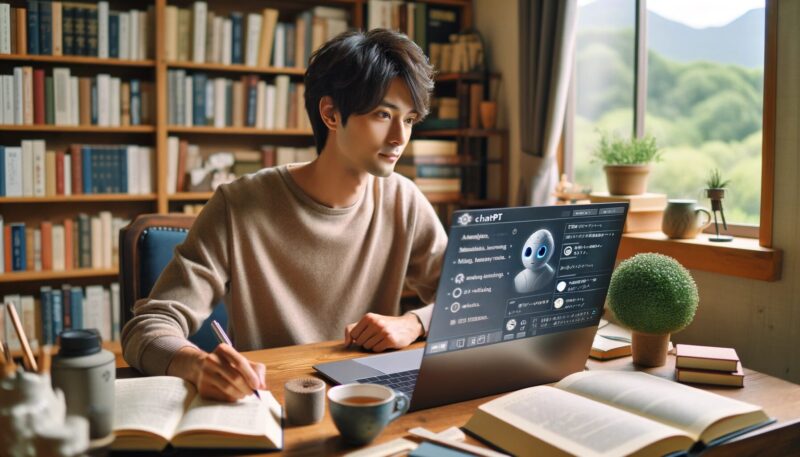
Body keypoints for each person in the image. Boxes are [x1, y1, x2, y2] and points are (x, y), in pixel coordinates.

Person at [121, 29, 447, 402]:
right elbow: (147, 328)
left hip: (365, 401)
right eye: (382, 114)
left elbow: (467, 303)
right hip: (268, 399)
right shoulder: (238, 204)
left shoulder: (403, 200)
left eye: (408, 119)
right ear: (331, 114)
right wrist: (195, 364)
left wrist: (413, 322)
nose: (398, 137)